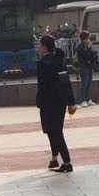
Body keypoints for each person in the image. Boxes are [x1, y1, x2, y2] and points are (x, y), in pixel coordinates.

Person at [35, 34, 76, 173]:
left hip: (48, 102)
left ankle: (67, 162)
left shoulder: (42, 63)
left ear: (44, 47)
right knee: (55, 130)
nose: (38, 47)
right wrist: (71, 102)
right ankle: (55, 158)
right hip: (61, 101)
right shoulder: (59, 60)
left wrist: (39, 101)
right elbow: (66, 82)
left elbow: (42, 86)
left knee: (54, 132)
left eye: (40, 45)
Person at [73, 30, 97, 106]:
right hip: (83, 66)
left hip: (89, 66)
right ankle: (83, 100)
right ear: (83, 39)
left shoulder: (89, 46)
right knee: (84, 84)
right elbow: (84, 55)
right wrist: (87, 48)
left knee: (89, 83)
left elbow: (91, 55)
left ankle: (88, 99)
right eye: (87, 38)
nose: (88, 39)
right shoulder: (79, 47)